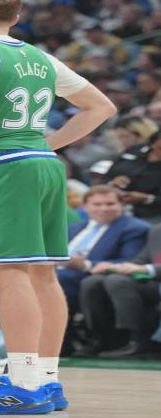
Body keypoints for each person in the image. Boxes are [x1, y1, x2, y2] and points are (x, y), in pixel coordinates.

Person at [0, 0, 116, 415]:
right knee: (42, 275)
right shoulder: (41, 59)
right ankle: (46, 380)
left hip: (1, 166)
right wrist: (48, 144)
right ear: (16, 18)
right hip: (44, 164)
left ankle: (21, 386)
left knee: (6, 275)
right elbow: (100, 107)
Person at [58, 185, 150, 320]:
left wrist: (86, 265)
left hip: (89, 275)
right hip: (55, 270)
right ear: (84, 206)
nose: (104, 209)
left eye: (110, 204)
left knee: (57, 278)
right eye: (97, 204)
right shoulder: (74, 228)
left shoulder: (135, 228)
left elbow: (130, 261)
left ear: (122, 205)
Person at [80, 222, 161, 357]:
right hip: (152, 281)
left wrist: (147, 269)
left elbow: (144, 267)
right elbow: (141, 259)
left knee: (117, 281)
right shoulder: (157, 230)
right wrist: (116, 267)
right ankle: (100, 339)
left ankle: (137, 341)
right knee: (93, 282)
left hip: (156, 280)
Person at [106, 130, 161, 224]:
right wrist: (112, 182)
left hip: (151, 214)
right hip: (114, 202)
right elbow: (109, 173)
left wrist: (147, 198)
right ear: (153, 143)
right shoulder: (134, 150)